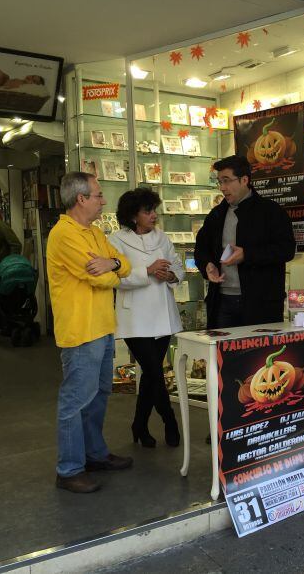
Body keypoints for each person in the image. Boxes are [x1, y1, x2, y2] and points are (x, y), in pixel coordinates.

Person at [46, 172, 133, 494]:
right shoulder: (63, 235)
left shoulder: (95, 232)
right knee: (76, 401)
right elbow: (102, 278)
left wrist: (111, 264)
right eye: (98, 195)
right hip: (81, 331)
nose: (103, 200)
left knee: (99, 396)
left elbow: (124, 265)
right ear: (81, 199)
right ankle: (68, 470)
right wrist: (113, 270)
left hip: (103, 327)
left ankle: (94, 455)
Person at [108, 188, 184, 448]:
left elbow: (178, 266)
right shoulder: (116, 240)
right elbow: (116, 278)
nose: (154, 215)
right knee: (153, 371)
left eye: (154, 210)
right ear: (132, 216)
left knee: (152, 376)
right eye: (147, 211)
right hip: (135, 319)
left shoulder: (162, 237)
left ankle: (139, 425)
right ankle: (169, 421)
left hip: (163, 315)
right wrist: (148, 271)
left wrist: (171, 276)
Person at [194, 155, 295, 328]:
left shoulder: (270, 212)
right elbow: (201, 249)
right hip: (221, 301)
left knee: (258, 354)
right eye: (219, 182)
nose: (222, 188)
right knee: (222, 354)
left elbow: (286, 249)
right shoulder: (216, 215)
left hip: (261, 304)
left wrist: (247, 255)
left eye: (227, 181)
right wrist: (207, 265)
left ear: (244, 180)